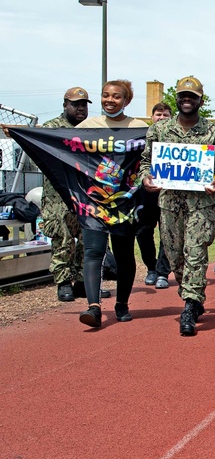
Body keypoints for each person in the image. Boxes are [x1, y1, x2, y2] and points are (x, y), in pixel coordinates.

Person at [139, 76, 215, 336]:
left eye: (192, 96)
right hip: (169, 204)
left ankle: (190, 306)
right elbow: (145, 163)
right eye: (183, 96)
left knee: (195, 253)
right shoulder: (158, 130)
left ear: (200, 100)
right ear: (177, 99)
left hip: (201, 205)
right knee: (175, 257)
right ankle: (191, 293)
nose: (187, 100)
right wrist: (146, 178)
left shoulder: (214, 133)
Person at [76, 80, 149, 327]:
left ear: (126, 101)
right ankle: (93, 307)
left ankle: (122, 304)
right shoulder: (87, 126)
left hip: (125, 202)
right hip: (92, 199)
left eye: (116, 97)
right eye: (105, 95)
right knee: (93, 252)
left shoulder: (139, 128)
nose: (110, 100)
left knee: (124, 254)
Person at [41, 88, 89, 302]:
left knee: (87, 238)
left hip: (85, 193)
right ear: (65, 105)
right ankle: (63, 282)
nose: (80, 108)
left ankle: (81, 281)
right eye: (75, 104)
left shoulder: (91, 130)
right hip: (58, 196)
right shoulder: (50, 129)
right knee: (63, 238)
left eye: (84, 104)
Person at [136, 102, 173, 288]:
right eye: (158, 114)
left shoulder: (177, 139)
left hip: (169, 193)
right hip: (147, 193)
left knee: (167, 233)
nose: (161, 118)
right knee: (143, 232)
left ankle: (162, 272)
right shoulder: (141, 138)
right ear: (152, 117)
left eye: (166, 115)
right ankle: (151, 267)